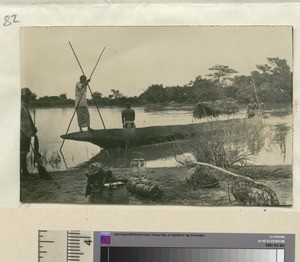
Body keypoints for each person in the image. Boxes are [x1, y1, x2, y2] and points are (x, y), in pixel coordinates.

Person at [20, 87, 37, 180]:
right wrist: (23, 132)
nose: (30, 99)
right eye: (29, 97)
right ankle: (24, 172)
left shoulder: (25, 107)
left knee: (24, 151)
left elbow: (28, 121)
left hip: (26, 133)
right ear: (24, 97)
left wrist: (33, 129)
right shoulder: (20, 107)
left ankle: (24, 171)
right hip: (22, 134)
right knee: (22, 152)